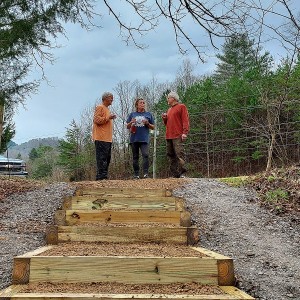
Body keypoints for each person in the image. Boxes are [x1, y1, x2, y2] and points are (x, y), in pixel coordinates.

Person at [162, 91, 190, 178]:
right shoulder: (169, 110)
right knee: (171, 155)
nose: (167, 99)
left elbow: (185, 120)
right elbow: (167, 124)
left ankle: (182, 173)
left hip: (178, 135)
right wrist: (164, 119)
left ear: (173, 98)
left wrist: (185, 132)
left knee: (179, 154)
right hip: (169, 135)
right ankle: (175, 174)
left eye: (168, 98)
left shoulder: (181, 107)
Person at [126, 98, 155, 179]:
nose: (143, 104)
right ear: (137, 105)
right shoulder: (132, 114)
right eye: (141, 103)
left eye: (143, 102)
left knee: (145, 155)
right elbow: (127, 126)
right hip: (134, 138)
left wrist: (147, 123)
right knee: (135, 157)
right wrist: (131, 122)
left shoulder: (148, 114)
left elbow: (153, 127)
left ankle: (146, 174)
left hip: (144, 139)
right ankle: (136, 175)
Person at [92, 92, 116, 180]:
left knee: (107, 158)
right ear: (105, 98)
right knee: (101, 157)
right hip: (100, 137)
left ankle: (104, 176)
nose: (112, 100)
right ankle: (100, 177)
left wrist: (109, 117)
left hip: (108, 138)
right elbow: (96, 120)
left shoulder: (107, 109)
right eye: (111, 98)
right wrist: (108, 118)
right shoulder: (100, 107)